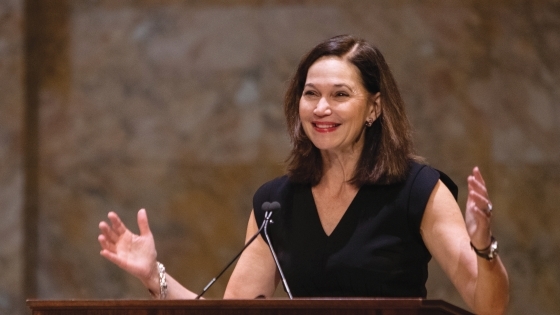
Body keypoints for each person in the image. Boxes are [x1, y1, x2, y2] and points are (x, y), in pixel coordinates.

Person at [98, 34, 509, 314]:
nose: (321, 108)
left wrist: (483, 246)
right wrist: (155, 276)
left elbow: (489, 305)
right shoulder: (277, 203)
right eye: (310, 94)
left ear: (374, 108)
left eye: (340, 95)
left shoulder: (418, 190)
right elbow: (232, 312)